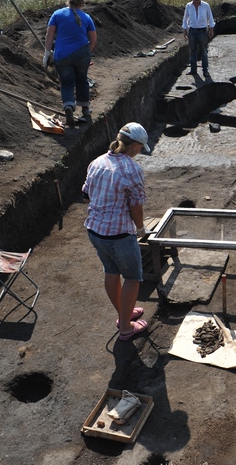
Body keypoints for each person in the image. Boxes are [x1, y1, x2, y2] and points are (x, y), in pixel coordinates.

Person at [82, 122, 150, 341]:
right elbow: (136, 207)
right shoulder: (132, 169)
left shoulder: (97, 162)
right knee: (132, 278)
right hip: (119, 235)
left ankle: (125, 314)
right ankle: (126, 328)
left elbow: (86, 194)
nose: (139, 152)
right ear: (134, 146)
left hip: (95, 231)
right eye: (140, 148)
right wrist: (140, 229)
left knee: (111, 273)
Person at [44, 0, 97, 127]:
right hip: (82, 53)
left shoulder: (57, 14)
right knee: (82, 79)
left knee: (67, 82)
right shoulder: (86, 17)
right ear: (82, 4)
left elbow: (49, 35)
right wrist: (87, 54)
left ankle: (68, 106)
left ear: (68, 1)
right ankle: (85, 109)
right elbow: (93, 39)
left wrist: (46, 54)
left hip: (62, 55)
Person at [182, 0, 215, 77]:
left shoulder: (206, 6)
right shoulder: (188, 6)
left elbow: (210, 17)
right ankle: (193, 69)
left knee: (204, 51)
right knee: (193, 51)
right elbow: (185, 18)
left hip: (202, 31)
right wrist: (185, 30)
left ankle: (205, 70)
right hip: (192, 31)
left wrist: (211, 29)